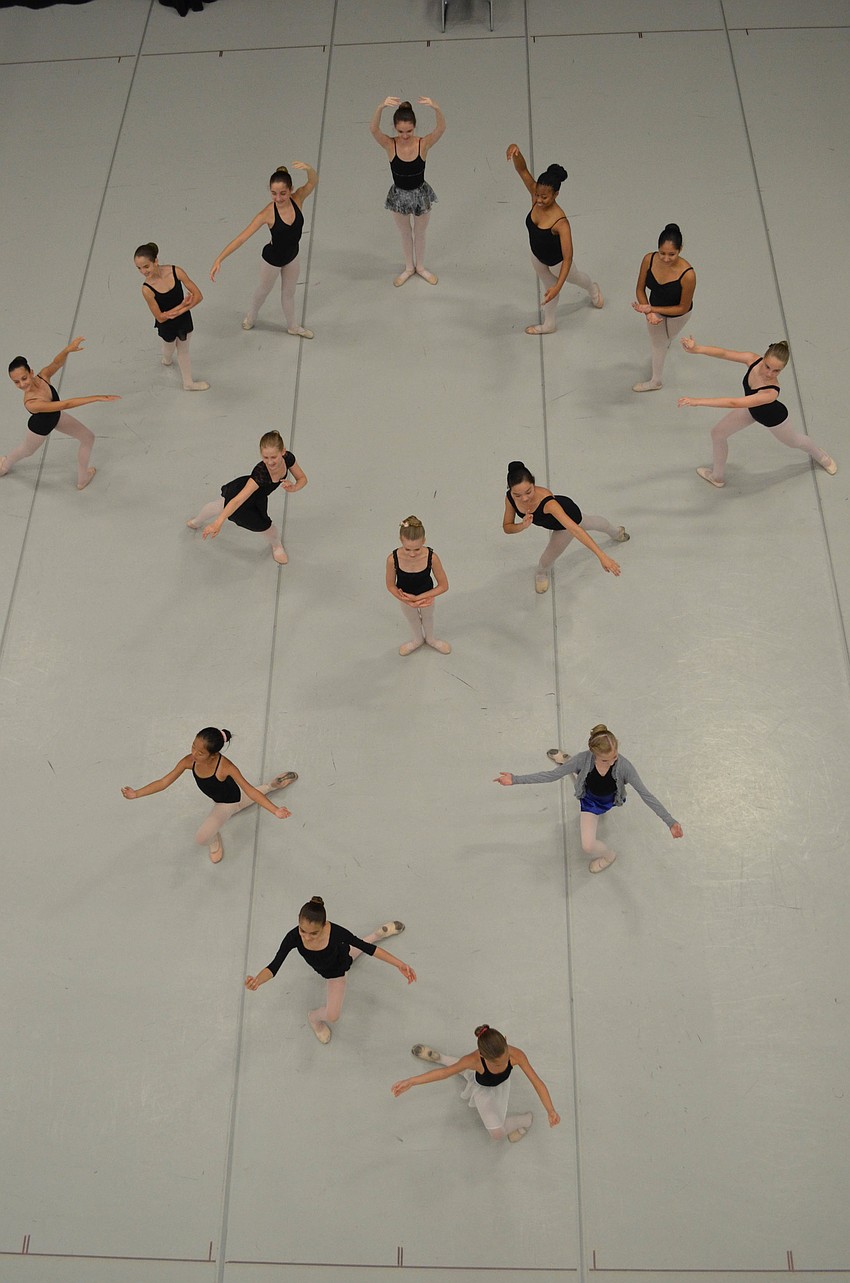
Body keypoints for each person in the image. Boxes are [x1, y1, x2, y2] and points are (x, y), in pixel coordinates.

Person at [495, 723, 683, 873]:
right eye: (604, 760)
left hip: (607, 801)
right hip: (589, 801)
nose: (611, 762)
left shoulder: (624, 767)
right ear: (593, 754)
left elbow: (646, 794)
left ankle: (609, 856)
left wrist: (670, 821)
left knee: (574, 773)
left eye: (615, 757)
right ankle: (566, 762)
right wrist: (515, 779)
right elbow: (552, 776)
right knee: (587, 843)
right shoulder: (583, 760)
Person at [245, 896, 416, 1044]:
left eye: (314, 933)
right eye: (303, 930)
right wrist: (258, 980)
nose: (306, 936)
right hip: (333, 975)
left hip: (343, 959)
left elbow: (367, 949)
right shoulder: (293, 937)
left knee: (358, 948)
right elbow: (274, 966)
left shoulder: (337, 932)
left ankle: (378, 934)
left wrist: (400, 964)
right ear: (298, 921)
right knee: (333, 1016)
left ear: (324, 925)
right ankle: (314, 1018)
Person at [678, 336, 836, 487]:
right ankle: (717, 477)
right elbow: (724, 353)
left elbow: (734, 403)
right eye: (768, 366)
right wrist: (698, 349)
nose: (769, 373)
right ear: (763, 357)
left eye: (776, 371)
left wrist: (698, 401)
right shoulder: (752, 359)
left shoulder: (771, 392)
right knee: (717, 433)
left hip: (774, 418)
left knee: (795, 441)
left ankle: (822, 457)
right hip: (752, 411)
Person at [121, 727, 295, 863]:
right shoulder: (189, 761)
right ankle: (272, 784)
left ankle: (213, 836)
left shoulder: (225, 767)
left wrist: (275, 810)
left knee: (202, 838)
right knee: (243, 801)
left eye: (201, 752)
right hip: (230, 799)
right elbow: (164, 782)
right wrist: (136, 793)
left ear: (214, 755)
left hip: (227, 803)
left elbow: (249, 790)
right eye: (193, 747)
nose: (194, 754)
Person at [391, 1024, 559, 1144]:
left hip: (499, 1086)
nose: (505, 1062)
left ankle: (440, 1057)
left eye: (506, 1057)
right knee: (497, 1134)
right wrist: (411, 1081)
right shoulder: (473, 1061)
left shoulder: (516, 1055)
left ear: (506, 1041)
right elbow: (444, 1074)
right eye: (498, 1064)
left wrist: (550, 1109)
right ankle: (525, 1121)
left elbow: (537, 1082)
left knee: (462, 1069)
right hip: (482, 1088)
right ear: (482, 1057)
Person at [209, 162, 318, 338]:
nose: (278, 198)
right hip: (272, 259)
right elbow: (242, 238)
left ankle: (293, 326)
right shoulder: (267, 213)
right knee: (263, 290)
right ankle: (251, 317)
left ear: (291, 190)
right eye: (274, 193)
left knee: (289, 293)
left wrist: (308, 169)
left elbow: (312, 182)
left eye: (283, 193)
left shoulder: (298, 199)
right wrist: (219, 258)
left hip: (292, 256)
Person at [505, 145, 603, 334]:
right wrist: (516, 153)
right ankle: (549, 324)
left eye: (545, 197)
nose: (539, 200)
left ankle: (592, 288)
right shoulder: (535, 195)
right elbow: (522, 169)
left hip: (558, 263)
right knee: (548, 291)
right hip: (537, 258)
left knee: (576, 278)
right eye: (537, 195)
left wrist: (559, 286)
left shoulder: (561, 222)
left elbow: (567, 258)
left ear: (556, 194)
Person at [2, 338, 119, 489]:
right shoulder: (31, 402)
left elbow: (56, 363)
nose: (22, 384)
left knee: (88, 437)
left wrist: (67, 350)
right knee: (26, 451)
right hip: (39, 428)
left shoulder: (43, 376)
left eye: (24, 378)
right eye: (16, 382)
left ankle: (82, 478)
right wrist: (96, 398)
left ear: (31, 372)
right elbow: (65, 404)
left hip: (56, 417)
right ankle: (4, 466)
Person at [503, 461, 626, 594]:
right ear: (510, 491)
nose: (524, 498)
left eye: (528, 492)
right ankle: (541, 574)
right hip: (559, 519)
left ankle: (616, 532)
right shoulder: (509, 498)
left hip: (567, 519)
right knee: (594, 523)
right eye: (518, 495)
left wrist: (602, 556)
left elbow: (575, 529)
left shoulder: (548, 503)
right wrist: (522, 525)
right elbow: (507, 527)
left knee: (547, 558)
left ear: (534, 484)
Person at [187, 430, 307, 564]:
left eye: (274, 457)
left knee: (219, 506)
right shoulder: (260, 474)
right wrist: (217, 523)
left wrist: (294, 488)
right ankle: (197, 521)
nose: (270, 462)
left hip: (258, 497)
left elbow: (302, 478)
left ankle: (276, 545)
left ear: (283, 452)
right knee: (262, 524)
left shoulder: (288, 458)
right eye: (265, 457)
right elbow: (237, 501)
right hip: (244, 497)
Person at [370, 96, 445, 286]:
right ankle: (409, 267)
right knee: (405, 232)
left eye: (409, 131)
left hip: (420, 195)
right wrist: (380, 107)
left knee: (420, 232)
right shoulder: (390, 145)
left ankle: (420, 266)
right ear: (395, 128)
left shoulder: (422, 144)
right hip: (399, 196)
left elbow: (440, 129)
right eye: (401, 131)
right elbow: (374, 130)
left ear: (415, 127)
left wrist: (436, 108)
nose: (405, 135)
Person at [133, 243, 208, 390]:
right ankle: (167, 359)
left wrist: (180, 310)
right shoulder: (147, 289)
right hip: (167, 325)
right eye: (139, 268)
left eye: (146, 266)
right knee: (168, 348)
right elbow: (161, 317)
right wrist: (182, 306)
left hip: (184, 319)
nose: (143, 271)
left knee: (183, 350)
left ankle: (188, 383)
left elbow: (198, 296)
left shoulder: (176, 271)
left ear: (156, 261)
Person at [632, 223, 695, 391]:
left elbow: (682, 307)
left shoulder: (688, 275)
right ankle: (656, 381)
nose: (666, 258)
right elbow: (640, 289)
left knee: (666, 339)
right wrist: (648, 312)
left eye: (671, 254)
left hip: (678, 314)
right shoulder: (648, 259)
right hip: (654, 308)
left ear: (680, 249)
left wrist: (652, 310)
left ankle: (666, 342)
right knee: (658, 343)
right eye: (662, 253)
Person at [386, 515, 450, 655]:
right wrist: (407, 600)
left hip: (427, 596)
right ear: (401, 541)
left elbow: (444, 585)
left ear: (424, 541)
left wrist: (420, 597)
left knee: (428, 617)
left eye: (417, 549)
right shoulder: (393, 559)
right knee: (412, 618)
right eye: (407, 549)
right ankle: (417, 639)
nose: (413, 554)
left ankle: (431, 639)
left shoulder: (432, 557)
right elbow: (390, 585)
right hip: (406, 598)